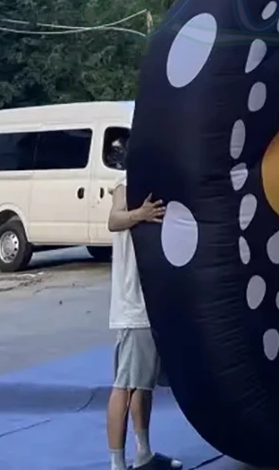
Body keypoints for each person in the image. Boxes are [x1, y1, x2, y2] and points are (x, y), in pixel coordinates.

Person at [106, 150, 181, 470]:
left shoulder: (153, 187)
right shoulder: (126, 186)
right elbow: (114, 220)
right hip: (133, 306)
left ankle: (143, 452)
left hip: (148, 304)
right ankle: (117, 463)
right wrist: (141, 214)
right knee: (125, 384)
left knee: (143, 383)